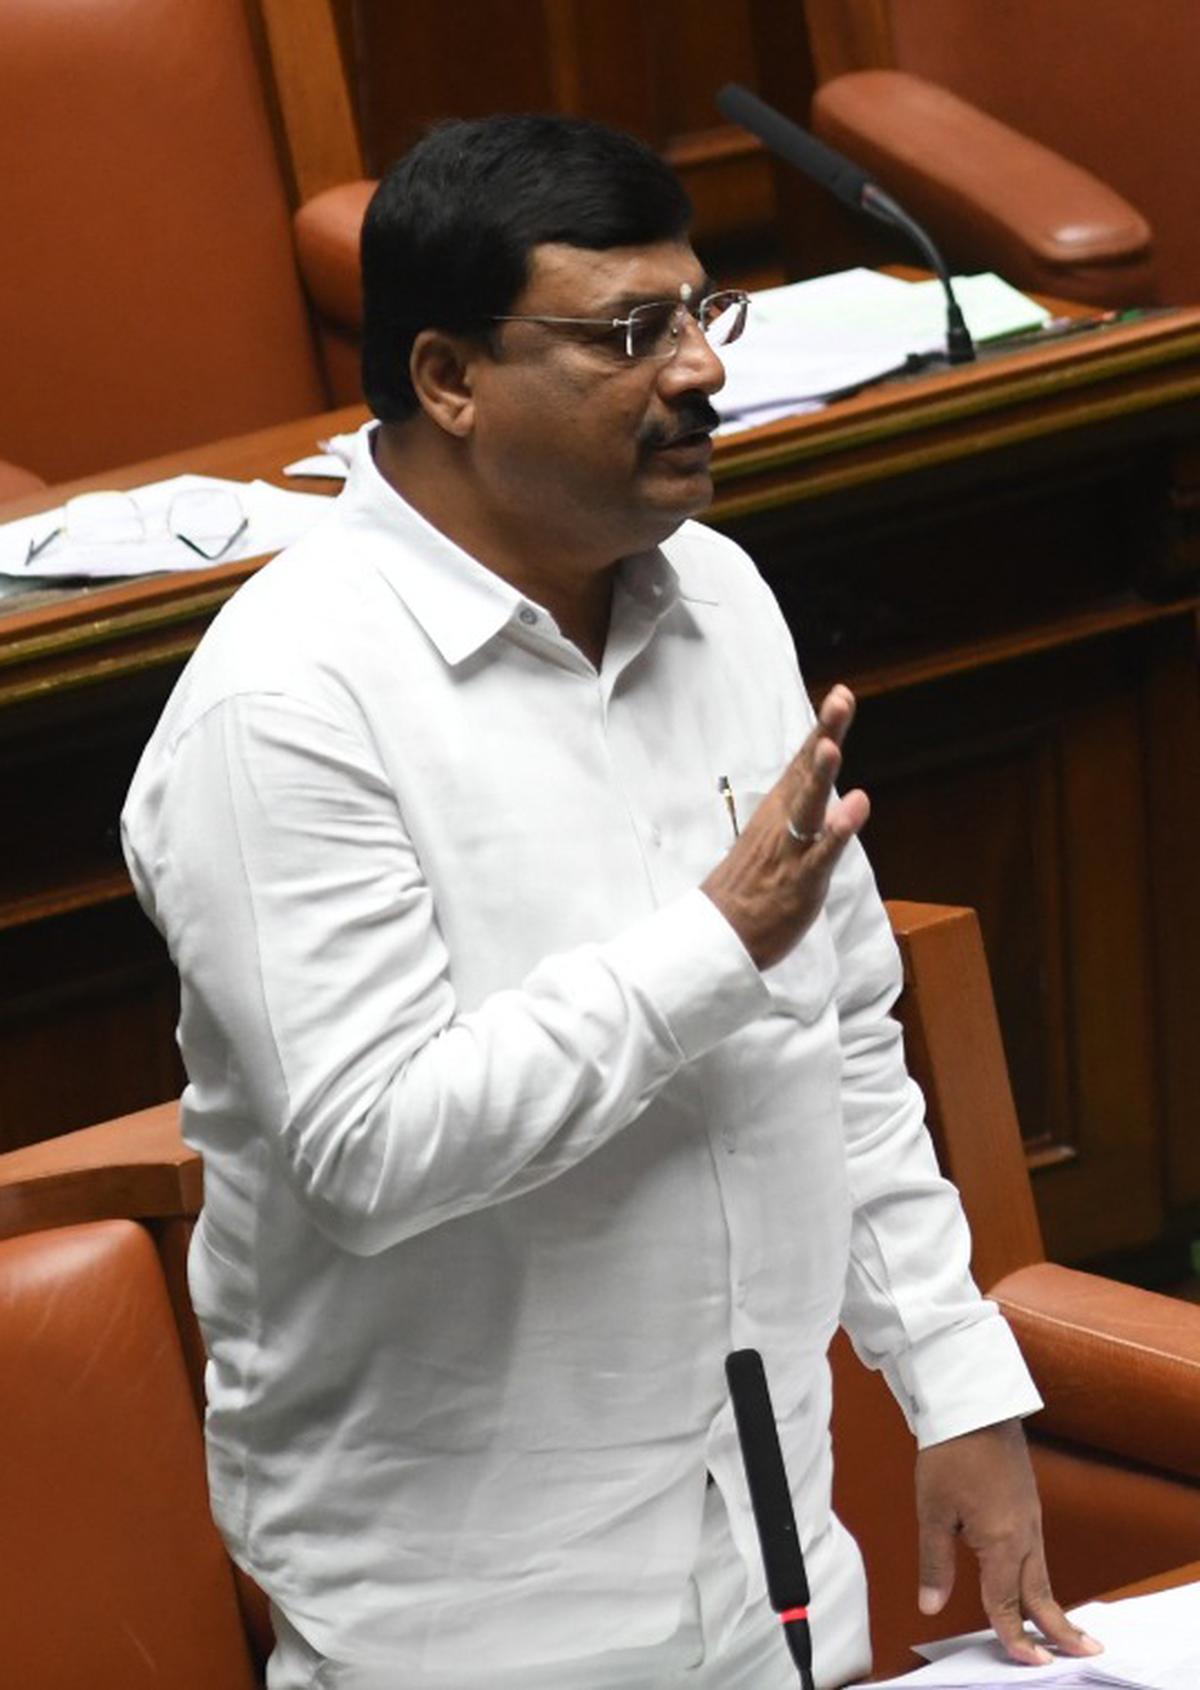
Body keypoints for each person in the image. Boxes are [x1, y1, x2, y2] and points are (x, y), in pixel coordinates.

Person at [121, 114, 1103, 1690]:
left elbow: (842, 1027)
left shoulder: (717, 593)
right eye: (627, 334)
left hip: (770, 1538)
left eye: (701, 313)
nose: (699, 370)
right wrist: (708, 947)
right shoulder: (286, 702)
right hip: (475, 1598)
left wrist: (955, 1384)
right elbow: (370, 1149)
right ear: (448, 379)